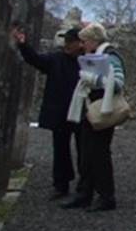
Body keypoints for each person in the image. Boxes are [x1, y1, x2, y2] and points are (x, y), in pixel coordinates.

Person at [11, 26, 83, 199]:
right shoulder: (56, 59)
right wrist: (23, 44)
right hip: (60, 113)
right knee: (60, 150)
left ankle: (85, 185)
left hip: (80, 111)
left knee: (84, 150)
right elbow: (34, 59)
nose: (81, 46)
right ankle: (61, 184)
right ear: (70, 43)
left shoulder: (85, 59)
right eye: (78, 42)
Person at [62, 22, 125, 212]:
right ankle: (85, 193)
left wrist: (94, 79)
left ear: (94, 40)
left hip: (102, 110)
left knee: (99, 154)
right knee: (87, 154)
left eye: (85, 41)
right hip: (90, 108)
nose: (82, 45)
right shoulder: (93, 56)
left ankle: (106, 196)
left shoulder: (111, 57)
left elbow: (118, 83)